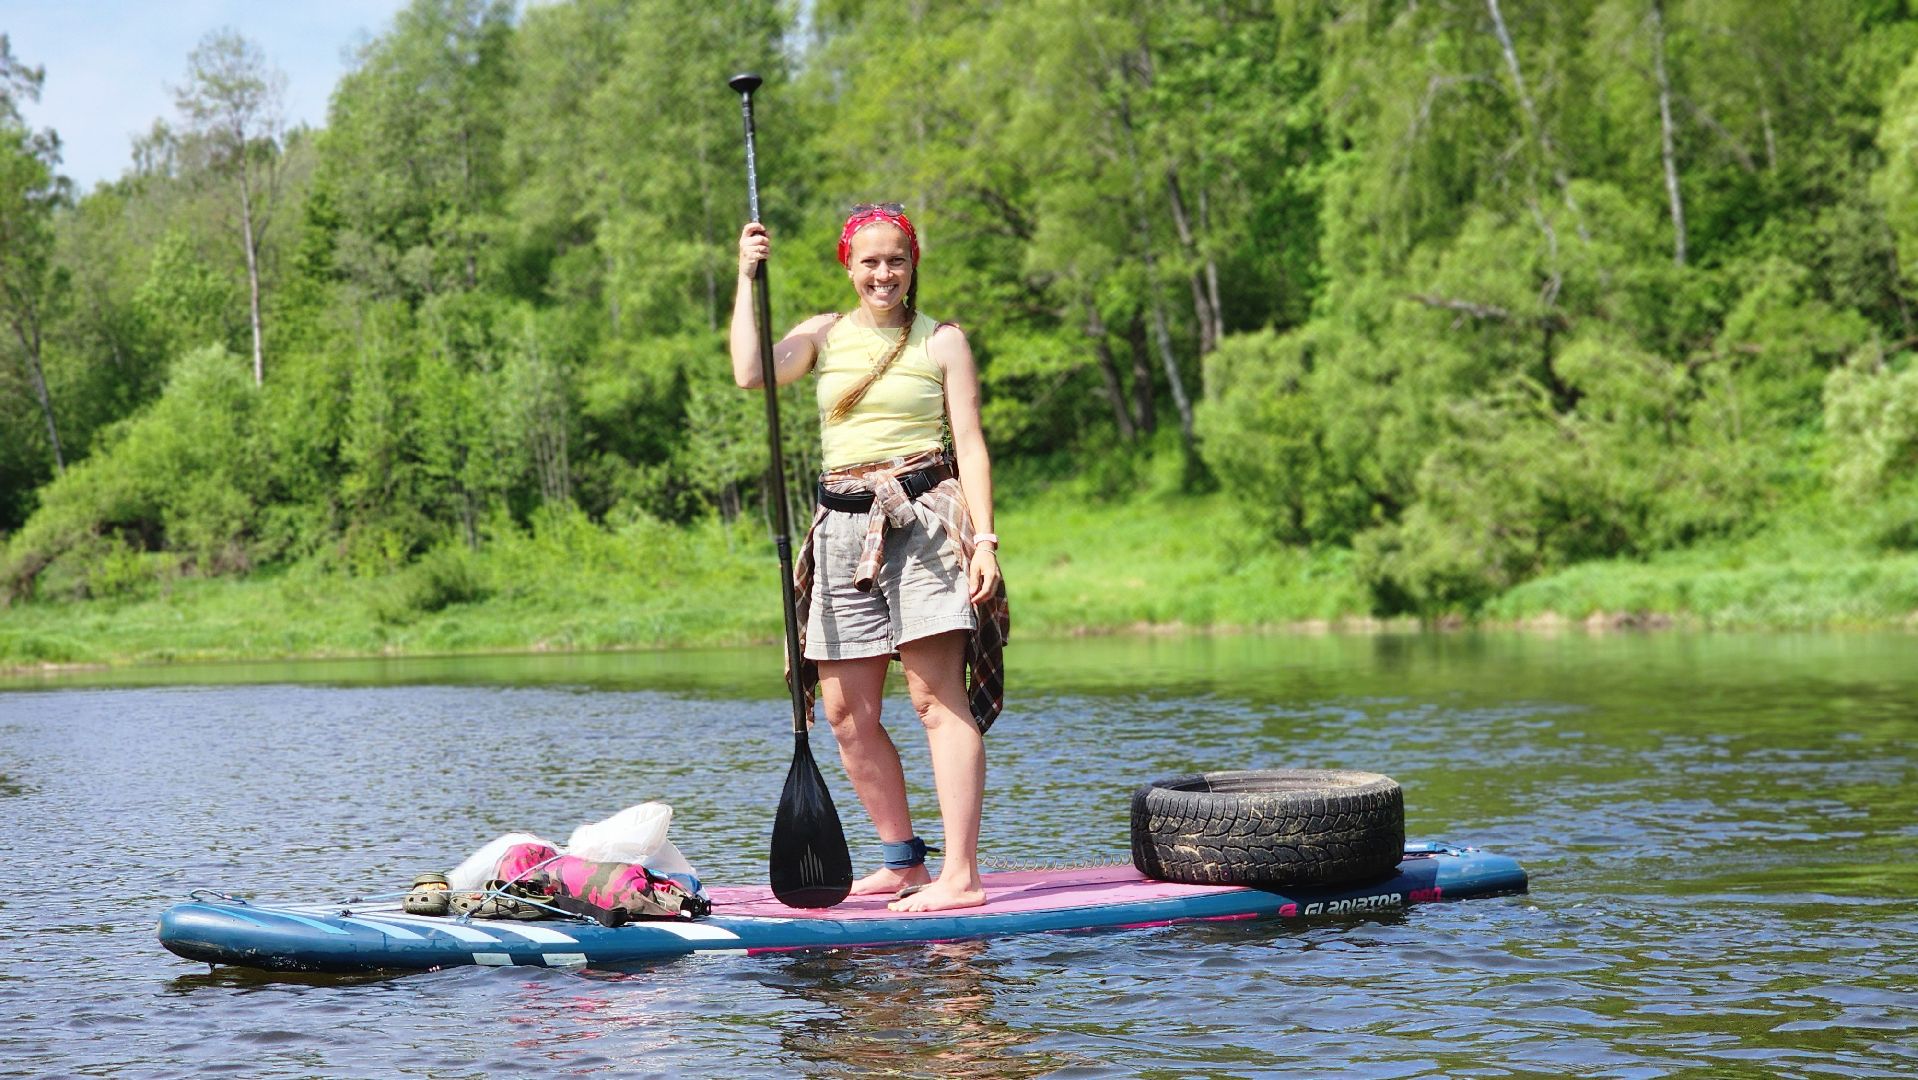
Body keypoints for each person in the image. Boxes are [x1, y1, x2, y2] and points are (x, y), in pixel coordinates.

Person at [730, 204, 1006, 912]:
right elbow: (751, 373)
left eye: (897, 260)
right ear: (847, 267)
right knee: (847, 712)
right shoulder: (820, 335)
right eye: (870, 262)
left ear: (913, 265)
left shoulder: (942, 341)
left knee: (932, 699)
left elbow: (970, 445)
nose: (884, 274)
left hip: (923, 519)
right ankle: (904, 861)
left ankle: (962, 877)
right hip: (840, 529)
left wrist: (985, 541)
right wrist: (746, 273)